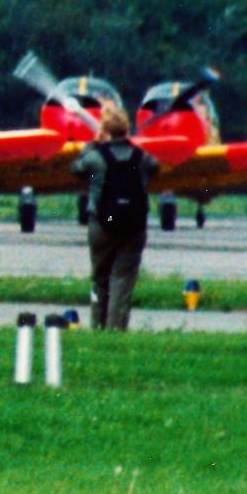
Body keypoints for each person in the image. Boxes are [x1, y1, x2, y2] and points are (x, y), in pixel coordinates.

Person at [75, 103, 157, 331]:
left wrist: (92, 143)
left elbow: (77, 168)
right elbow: (155, 166)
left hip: (102, 224)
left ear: (105, 130)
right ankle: (116, 328)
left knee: (100, 278)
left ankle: (97, 326)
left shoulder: (95, 157)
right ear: (126, 129)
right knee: (122, 279)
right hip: (133, 224)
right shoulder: (140, 157)